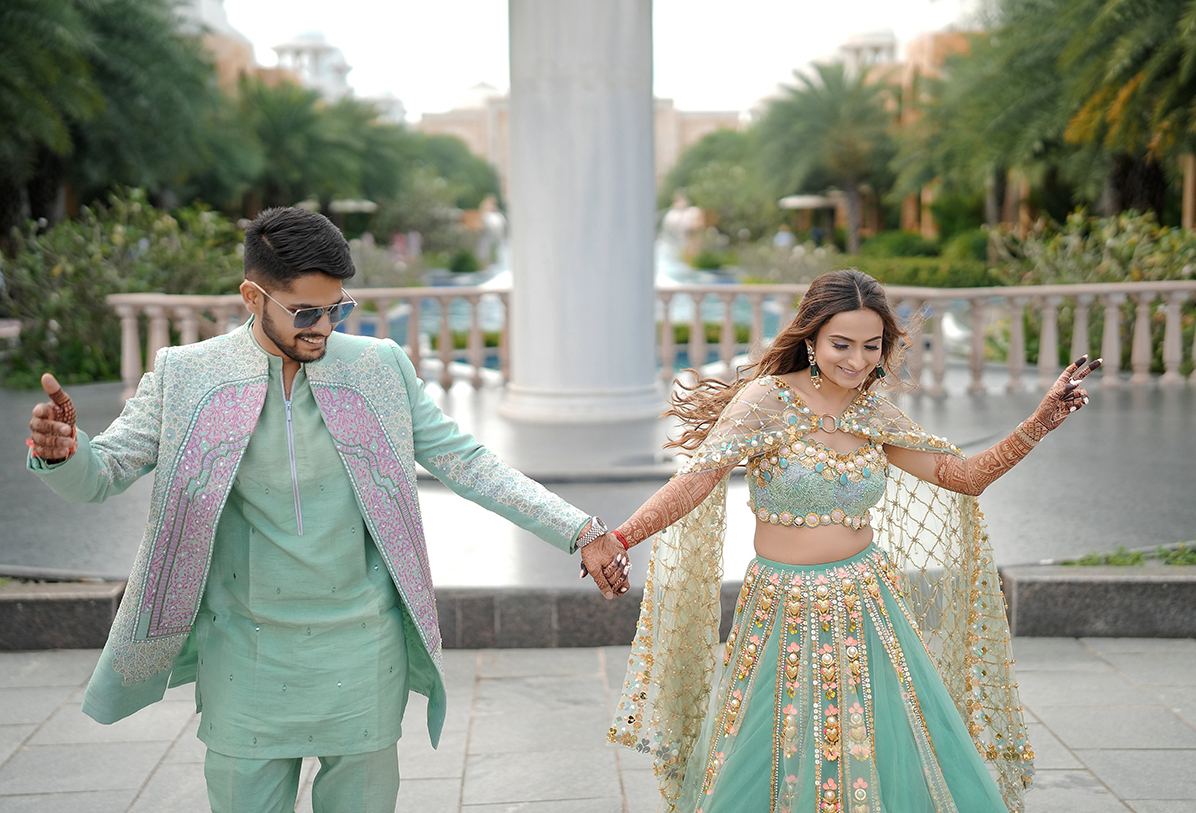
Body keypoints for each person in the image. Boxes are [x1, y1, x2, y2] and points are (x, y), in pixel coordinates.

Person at [25, 207, 628, 813]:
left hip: (361, 649)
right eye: (306, 313)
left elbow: (468, 463)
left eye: (337, 309)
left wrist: (579, 530)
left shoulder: (378, 368)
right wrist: (64, 455)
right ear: (252, 297)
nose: (323, 327)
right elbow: (100, 478)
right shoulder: (187, 376)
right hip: (244, 653)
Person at [605, 269, 1099, 813]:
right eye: (841, 344)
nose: (857, 361)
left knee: (886, 746)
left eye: (871, 346)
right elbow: (692, 484)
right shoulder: (765, 402)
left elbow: (964, 478)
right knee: (778, 751)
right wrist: (621, 537)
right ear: (811, 339)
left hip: (867, 600)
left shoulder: (870, 411)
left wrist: (1038, 423)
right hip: (783, 609)